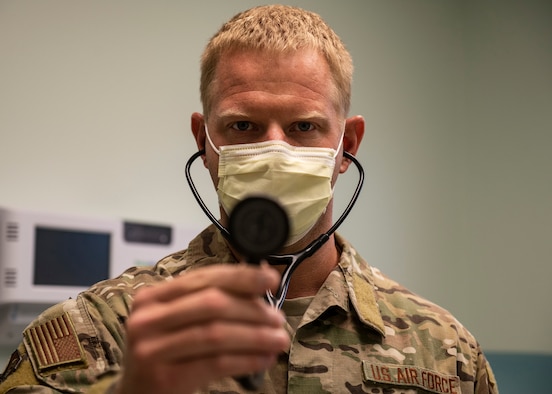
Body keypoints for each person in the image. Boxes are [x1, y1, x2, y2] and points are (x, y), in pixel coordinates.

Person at [0, 5, 498, 394]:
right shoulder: (96, 334)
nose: (274, 150)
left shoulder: (446, 351)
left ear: (347, 145)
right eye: (244, 126)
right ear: (204, 140)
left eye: (304, 127)